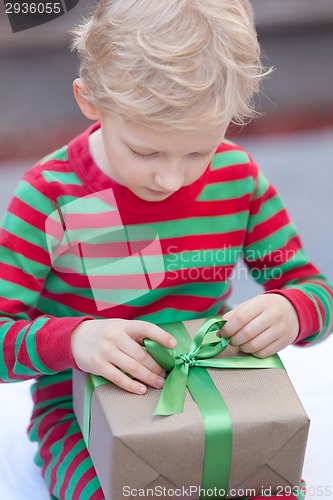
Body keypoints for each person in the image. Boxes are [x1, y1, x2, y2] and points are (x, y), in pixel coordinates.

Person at [0, 0, 332, 498]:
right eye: (145, 150)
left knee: (270, 485)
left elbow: (314, 291)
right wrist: (75, 341)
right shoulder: (49, 198)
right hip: (79, 412)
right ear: (90, 100)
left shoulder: (236, 178)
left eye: (198, 150)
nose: (171, 178)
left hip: (219, 395)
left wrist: (292, 310)